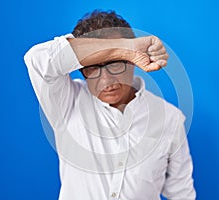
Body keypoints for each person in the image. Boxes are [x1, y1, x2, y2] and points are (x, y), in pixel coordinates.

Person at [24, 10, 196, 200]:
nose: (106, 80)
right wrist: (121, 47)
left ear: (133, 60)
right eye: (93, 67)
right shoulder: (67, 102)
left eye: (115, 63)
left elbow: (182, 194)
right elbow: (36, 60)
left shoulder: (170, 119)